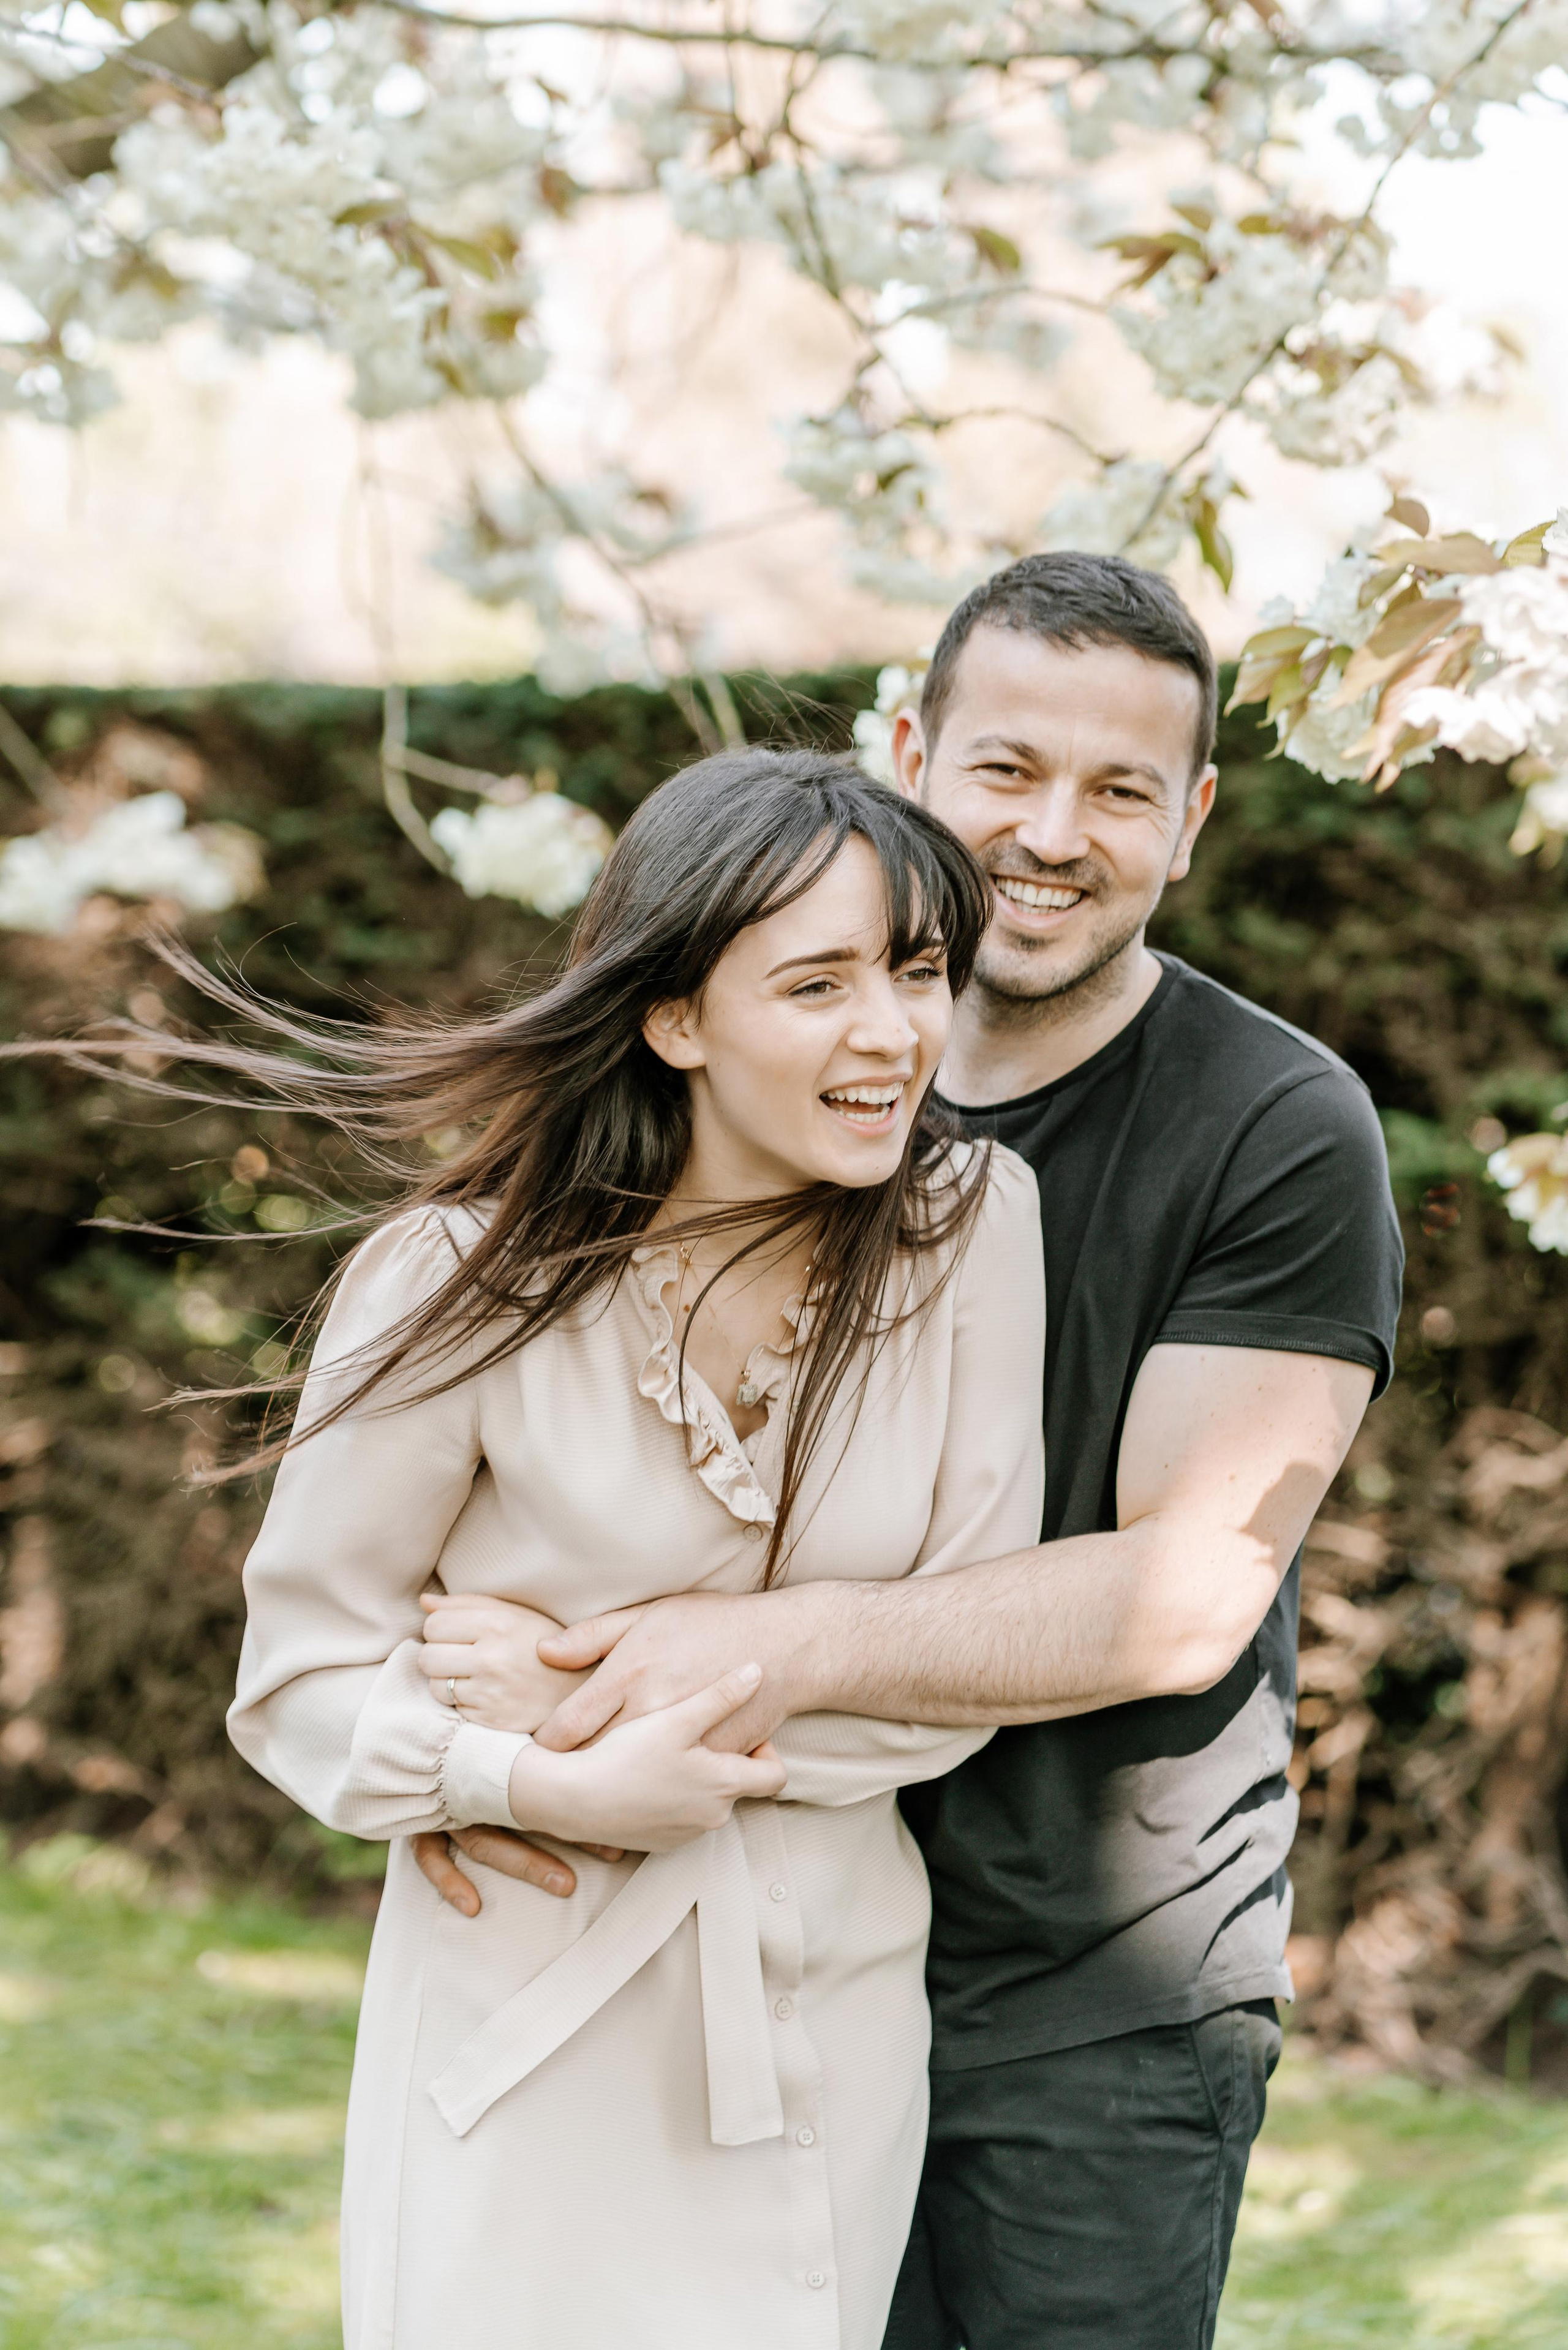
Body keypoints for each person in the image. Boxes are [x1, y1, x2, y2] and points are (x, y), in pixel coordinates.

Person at [415, 554, 1404, 2349]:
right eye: (1007, 768)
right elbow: (573, 1425)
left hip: (1089, 1984)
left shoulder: (1276, 1128)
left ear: (1188, 822)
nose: (1053, 833)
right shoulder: (785, 1061)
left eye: (1120, 792)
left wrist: (744, 1653)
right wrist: (490, 1709)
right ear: (904, 753)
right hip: (722, 1923)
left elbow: (1185, 1596)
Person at [183, 750, 1046, 2350]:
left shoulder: (974, 1231)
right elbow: (299, 1677)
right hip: (521, 1988)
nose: (893, 1030)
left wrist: (575, 1684)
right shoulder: (460, 1277)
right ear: (676, 1018)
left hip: (825, 1997)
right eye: (819, 981)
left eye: (918, 971)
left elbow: (956, 1668)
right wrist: (535, 1783)